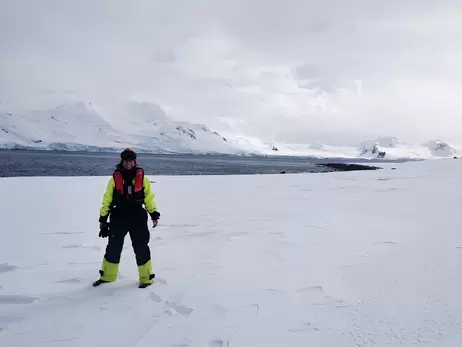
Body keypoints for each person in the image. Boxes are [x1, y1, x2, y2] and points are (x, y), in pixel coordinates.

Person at [93, 148, 160, 288]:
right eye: (126, 161)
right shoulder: (114, 179)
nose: (128, 164)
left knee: (141, 247)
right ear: (122, 161)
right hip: (119, 216)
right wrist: (103, 219)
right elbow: (107, 199)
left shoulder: (143, 178)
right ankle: (108, 276)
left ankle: (146, 278)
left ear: (134, 162)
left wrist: (153, 214)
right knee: (113, 246)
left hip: (137, 216)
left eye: (131, 161)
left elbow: (149, 198)